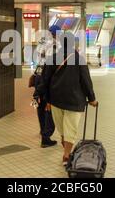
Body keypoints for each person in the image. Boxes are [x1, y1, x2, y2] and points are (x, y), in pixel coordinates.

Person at [38, 32, 98, 165]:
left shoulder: (52, 58)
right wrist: (92, 99)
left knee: (63, 130)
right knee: (70, 129)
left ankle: (66, 153)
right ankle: (66, 155)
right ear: (73, 43)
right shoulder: (79, 59)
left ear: (60, 42)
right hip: (74, 101)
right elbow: (86, 81)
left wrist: (45, 98)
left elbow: (45, 81)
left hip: (56, 101)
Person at [32, 25, 62, 148]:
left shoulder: (42, 42)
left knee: (40, 103)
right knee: (50, 106)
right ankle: (46, 136)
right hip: (48, 77)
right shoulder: (57, 45)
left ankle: (42, 129)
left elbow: (37, 57)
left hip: (38, 75)